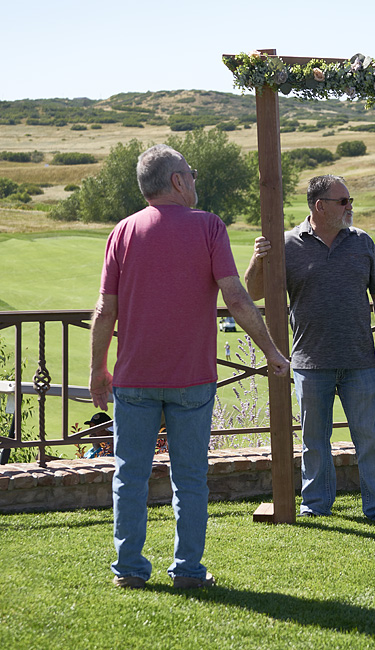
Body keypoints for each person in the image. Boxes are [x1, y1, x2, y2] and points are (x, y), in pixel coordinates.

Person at [89, 144, 290, 590]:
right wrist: (272, 351)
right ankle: (188, 570)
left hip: (134, 379)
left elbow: (105, 310)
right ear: (177, 180)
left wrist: (97, 369)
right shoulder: (209, 227)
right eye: (191, 172)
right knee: (191, 479)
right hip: (192, 380)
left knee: (129, 476)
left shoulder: (122, 231)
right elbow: (236, 299)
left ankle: (129, 569)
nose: (195, 179)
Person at [245, 174, 375, 526]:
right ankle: (316, 505)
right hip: (310, 362)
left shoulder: (362, 241)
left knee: (369, 438)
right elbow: (254, 292)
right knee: (314, 441)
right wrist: (258, 259)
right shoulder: (288, 244)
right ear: (320, 206)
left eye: (350, 200)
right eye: (343, 201)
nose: (350, 207)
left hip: (359, 360)